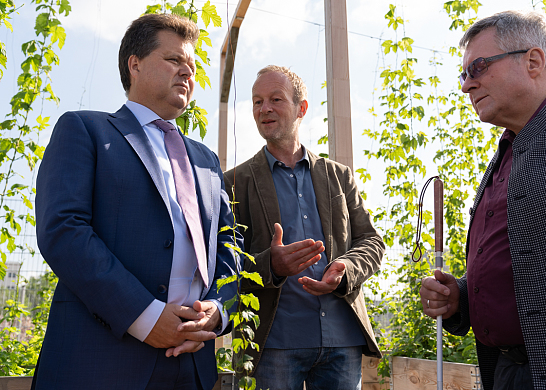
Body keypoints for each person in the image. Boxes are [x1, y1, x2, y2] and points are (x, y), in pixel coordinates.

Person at [33, 13, 242, 390]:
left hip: (191, 366)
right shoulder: (86, 130)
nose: (187, 72)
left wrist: (217, 312)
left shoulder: (207, 160)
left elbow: (228, 244)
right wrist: (144, 316)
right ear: (135, 64)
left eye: (192, 65)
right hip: (101, 362)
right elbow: (62, 230)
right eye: (174, 60)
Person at [419, 10, 546, 390]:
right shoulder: (505, 155)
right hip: (506, 373)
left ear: (532, 61)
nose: (466, 86)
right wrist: (460, 296)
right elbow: (519, 264)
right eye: (463, 74)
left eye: (477, 67)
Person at [223, 65, 384, 390]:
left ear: (302, 108)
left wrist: (345, 267)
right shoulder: (235, 182)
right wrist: (272, 264)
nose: (264, 108)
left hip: (342, 338)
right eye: (257, 101)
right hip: (273, 342)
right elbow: (224, 261)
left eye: (275, 99)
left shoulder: (339, 176)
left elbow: (371, 242)